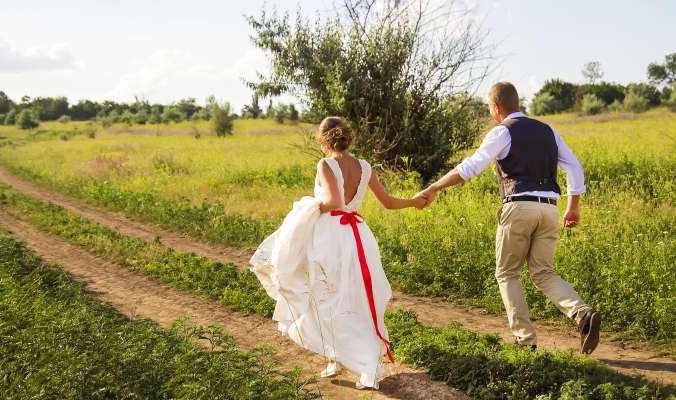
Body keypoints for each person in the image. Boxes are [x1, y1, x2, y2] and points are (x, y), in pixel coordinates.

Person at [417, 81, 601, 354]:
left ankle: (525, 341)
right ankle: (582, 313)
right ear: (518, 103)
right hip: (550, 208)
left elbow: (471, 167)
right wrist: (573, 205)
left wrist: (434, 187)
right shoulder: (548, 130)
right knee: (544, 272)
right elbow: (574, 166)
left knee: (507, 273)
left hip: (518, 207)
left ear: (496, 107)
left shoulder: (502, 132)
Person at [250, 116, 428, 390]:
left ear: (323, 141)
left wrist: (308, 208)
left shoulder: (326, 164)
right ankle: (338, 355)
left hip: (330, 236)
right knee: (353, 296)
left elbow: (334, 202)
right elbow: (388, 202)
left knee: (326, 294)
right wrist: (413, 202)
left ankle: (351, 358)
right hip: (357, 234)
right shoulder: (365, 167)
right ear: (349, 137)